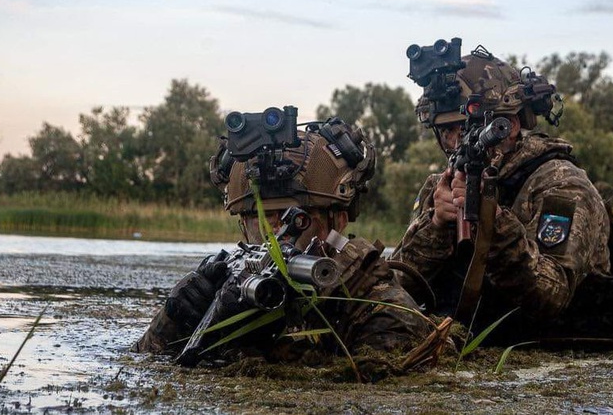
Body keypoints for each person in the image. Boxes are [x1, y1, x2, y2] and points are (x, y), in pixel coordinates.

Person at [392, 40, 613, 348]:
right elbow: (398, 289)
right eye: (446, 132)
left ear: (510, 125)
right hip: (472, 352)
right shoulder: (441, 187)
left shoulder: (562, 184)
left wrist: (493, 220)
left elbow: (550, 297)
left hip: (556, 354)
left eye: (465, 128)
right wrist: (436, 225)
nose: (455, 142)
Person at [133, 116, 438, 369]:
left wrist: (260, 348)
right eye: (262, 218)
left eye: (296, 219)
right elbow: (143, 368)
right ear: (242, 226)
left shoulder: (379, 307)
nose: (276, 232)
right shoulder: (229, 288)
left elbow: (367, 392)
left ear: (339, 221)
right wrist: (172, 321)